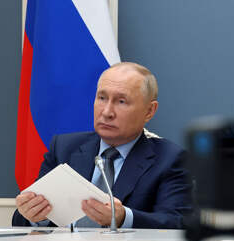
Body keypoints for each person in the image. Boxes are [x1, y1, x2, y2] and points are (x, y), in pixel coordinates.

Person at [12, 62, 192, 229]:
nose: (106, 112)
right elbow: (20, 220)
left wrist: (124, 218)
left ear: (149, 111)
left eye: (121, 101)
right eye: (102, 98)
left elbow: (177, 223)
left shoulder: (170, 159)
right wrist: (35, 215)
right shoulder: (64, 148)